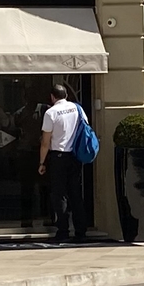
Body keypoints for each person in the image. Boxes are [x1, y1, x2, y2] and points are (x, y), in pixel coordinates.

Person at [36, 82, 84, 244]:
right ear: (66, 95)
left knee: (59, 195)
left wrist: (42, 162)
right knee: (75, 193)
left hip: (58, 157)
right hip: (75, 156)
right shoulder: (77, 108)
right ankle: (80, 230)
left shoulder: (51, 113)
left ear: (52, 97)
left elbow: (45, 141)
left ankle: (63, 230)